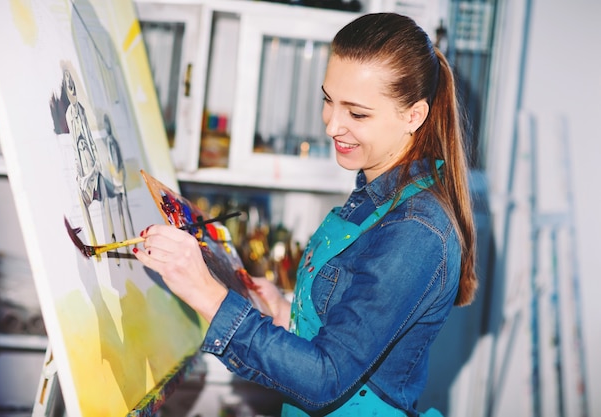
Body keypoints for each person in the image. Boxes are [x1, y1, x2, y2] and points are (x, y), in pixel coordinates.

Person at [133, 12, 478, 417]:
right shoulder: (375, 196)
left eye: (357, 113)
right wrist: (286, 312)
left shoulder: (416, 229)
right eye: (328, 100)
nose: (332, 125)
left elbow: (325, 379)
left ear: (413, 116)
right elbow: (346, 331)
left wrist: (208, 295)